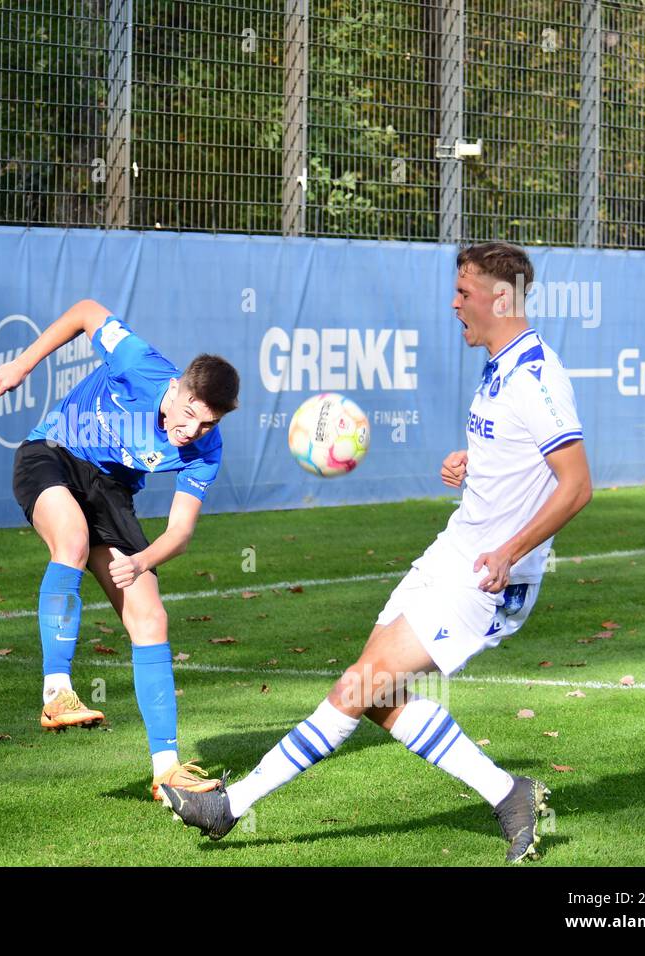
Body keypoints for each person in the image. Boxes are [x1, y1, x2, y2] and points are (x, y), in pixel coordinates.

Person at [161, 242, 593, 862]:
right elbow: (523, 461)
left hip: (487, 576)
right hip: (455, 549)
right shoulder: (500, 364)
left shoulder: (537, 375)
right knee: (377, 697)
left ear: (502, 298)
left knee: (356, 687)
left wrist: (509, 552)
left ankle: (229, 807)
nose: (454, 303)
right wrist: (473, 465)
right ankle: (507, 793)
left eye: (464, 292)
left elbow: (576, 484)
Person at [0, 298, 241, 800]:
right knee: (72, 539)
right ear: (177, 387)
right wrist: (21, 364)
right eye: (188, 414)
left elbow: (181, 530)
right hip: (52, 454)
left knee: (151, 617)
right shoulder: (139, 362)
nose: (190, 431)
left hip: (111, 490)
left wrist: (143, 561)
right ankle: (56, 692)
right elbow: (85, 312)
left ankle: (166, 771)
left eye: (206, 424)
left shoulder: (206, 450)